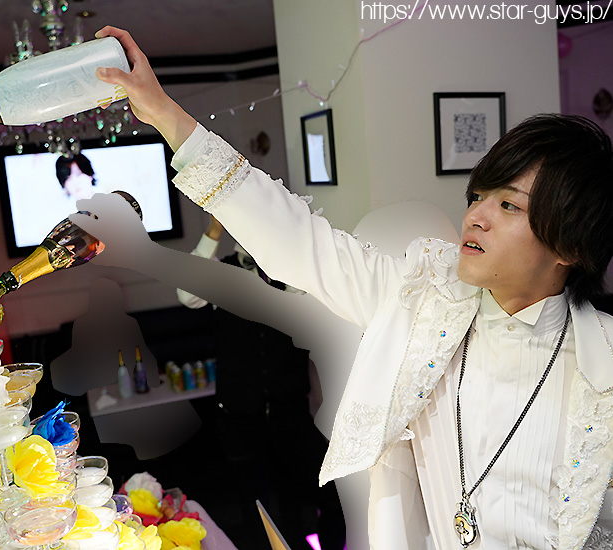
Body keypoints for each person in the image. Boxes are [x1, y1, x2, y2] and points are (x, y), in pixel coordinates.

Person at [70, 26, 613, 550]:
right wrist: (165, 114)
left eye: (509, 205)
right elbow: (297, 239)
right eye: (478, 195)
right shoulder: (424, 298)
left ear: (570, 247)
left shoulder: (603, 366)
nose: (476, 216)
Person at [176, 215, 346, 550]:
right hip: (238, 414)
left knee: (315, 494)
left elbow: (319, 312)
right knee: (253, 503)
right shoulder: (223, 275)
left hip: (291, 413)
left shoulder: (293, 277)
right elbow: (186, 294)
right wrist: (214, 230)